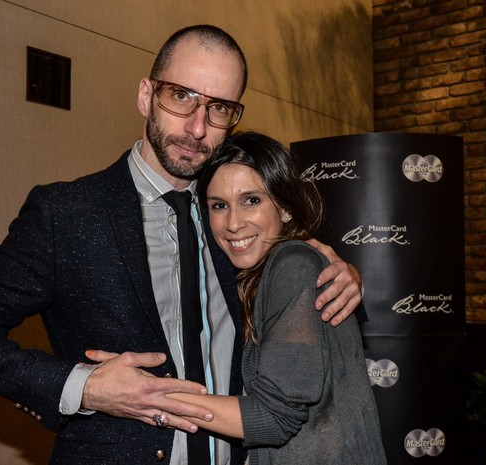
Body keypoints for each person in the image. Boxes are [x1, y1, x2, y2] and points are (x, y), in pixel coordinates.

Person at [0, 25, 364, 465]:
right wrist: (84, 387)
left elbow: (288, 284)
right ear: (146, 96)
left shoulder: (237, 224)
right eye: (181, 96)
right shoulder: (67, 214)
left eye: (219, 108)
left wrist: (338, 269)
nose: (197, 127)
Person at [151, 131, 384, 464]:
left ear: (286, 206)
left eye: (251, 200)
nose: (233, 223)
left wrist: (154, 396)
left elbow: (274, 418)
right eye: (219, 206)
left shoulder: (292, 264)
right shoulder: (259, 273)